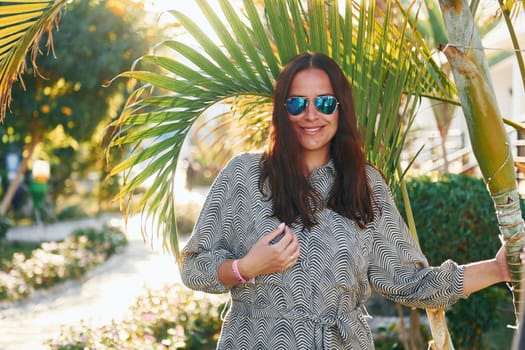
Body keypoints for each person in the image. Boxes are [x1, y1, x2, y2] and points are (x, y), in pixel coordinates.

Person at [180, 52, 522, 349]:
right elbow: (194, 268)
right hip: (256, 340)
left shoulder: (366, 184)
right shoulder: (244, 175)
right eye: (298, 103)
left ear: (340, 109)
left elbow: (410, 282)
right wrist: (246, 268)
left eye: (325, 102)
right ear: (282, 111)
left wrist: (498, 269)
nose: (311, 114)